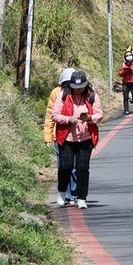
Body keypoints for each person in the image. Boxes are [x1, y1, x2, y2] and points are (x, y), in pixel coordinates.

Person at [52, 70, 103, 209]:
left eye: (81, 87)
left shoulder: (92, 95)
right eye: (75, 87)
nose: (78, 90)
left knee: (82, 168)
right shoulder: (63, 95)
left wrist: (90, 118)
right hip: (67, 138)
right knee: (65, 167)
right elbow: (55, 115)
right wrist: (68, 119)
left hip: (85, 138)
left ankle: (81, 198)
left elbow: (99, 114)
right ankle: (61, 193)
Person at [44, 67, 77, 206]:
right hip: (60, 136)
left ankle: (72, 194)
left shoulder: (79, 92)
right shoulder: (56, 93)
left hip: (76, 136)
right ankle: (65, 193)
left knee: (74, 167)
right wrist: (47, 136)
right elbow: (50, 115)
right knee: (63, 166)